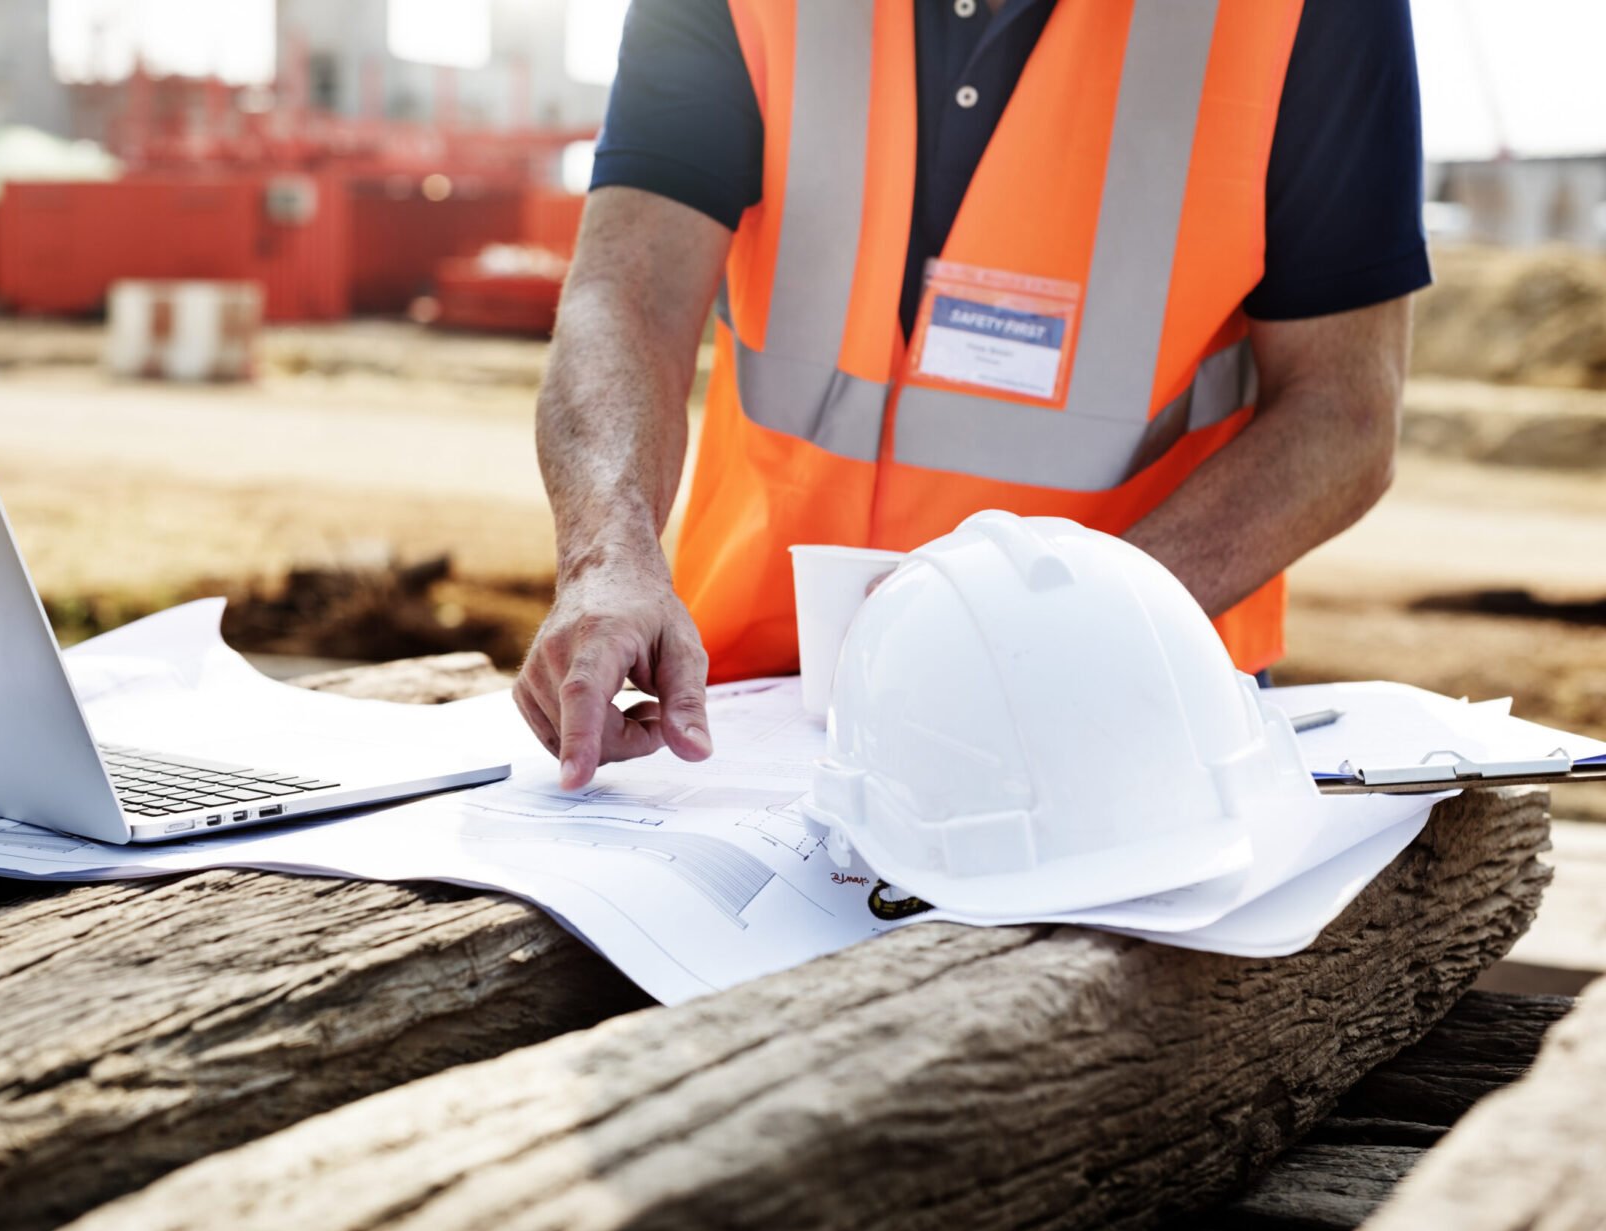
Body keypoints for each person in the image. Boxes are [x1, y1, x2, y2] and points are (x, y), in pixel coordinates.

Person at [514, 0, 1430, 790]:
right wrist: (609, 557)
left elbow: (1343, 413)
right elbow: (625, 294)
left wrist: (1058, 627)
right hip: (756, 707)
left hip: (1122, 709)